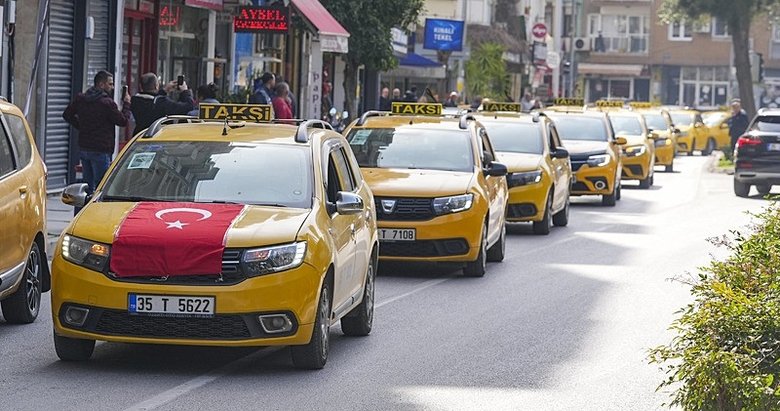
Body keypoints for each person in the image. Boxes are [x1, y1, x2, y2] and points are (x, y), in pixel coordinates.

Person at [62, 70, 131, 195]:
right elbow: (123, 120)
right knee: (101, 187)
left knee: (86, 187)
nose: (112, 87)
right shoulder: (107, 103)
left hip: (85, 147)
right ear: (101, 84)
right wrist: (127, 104)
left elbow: (67, 115)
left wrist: (82, 126)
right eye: (110, 84)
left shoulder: (81, 99)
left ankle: (82, 211)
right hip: (101, 149)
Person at [131, 72, 195, 136]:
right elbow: (188, 107)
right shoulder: (162, 103)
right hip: (157, 136)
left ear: (140, 86)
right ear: (156, 86)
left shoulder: (134, 101)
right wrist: (185, 91)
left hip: (139, 136)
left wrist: (164, 90)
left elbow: (150, 100)